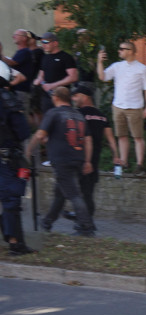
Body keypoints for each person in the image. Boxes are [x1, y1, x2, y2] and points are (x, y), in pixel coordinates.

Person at [27, 86, 96, 237]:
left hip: (62, 160)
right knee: (60, 194)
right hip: (77, 158)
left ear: (56, 97)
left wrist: (28, 150)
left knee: (73, 194)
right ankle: (47, 222)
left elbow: (40, 135)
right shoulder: (78, 114)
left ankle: (86, 227)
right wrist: (87, 161)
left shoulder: (54, 113)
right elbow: (88, 140)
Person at [65, 81, 120, 224]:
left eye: (76, 96)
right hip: (94, 159)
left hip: (80, 158)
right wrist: (116, 155)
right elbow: (110, 138)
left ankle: (85, 221)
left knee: (82, 192)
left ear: (84, 96)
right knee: (87, 191)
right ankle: (83, 218)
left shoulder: (78, 113)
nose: (74, 99)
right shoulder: (101, 115)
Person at [97, 41, 146, 176]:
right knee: (121, 136)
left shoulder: (143, 69)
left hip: (135, 107)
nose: (119, 51)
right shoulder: (117, 66)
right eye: (119, 48)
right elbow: (102, 77)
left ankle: (140, 165)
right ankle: (123, 163)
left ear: (131, 51)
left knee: (138, 137)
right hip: (118, 106)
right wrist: (99, 62)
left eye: (122, 49)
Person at [0, 61, 35, 255]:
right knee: (11, 200)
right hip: (6, 158)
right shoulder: (7, 99)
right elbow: (22, 132)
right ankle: (15, 243)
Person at [33, 32, 78, 116]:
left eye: (46, 42)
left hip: (62, 97)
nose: (43, 45)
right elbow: (41, 74)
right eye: (42, 42)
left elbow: (73, 77)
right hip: (46, 97)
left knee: (63, 122)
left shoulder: (66, 57)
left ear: (55, 43)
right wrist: (39, 80)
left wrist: (52, 85)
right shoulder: (45, 58)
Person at [0, 30, 38, 113]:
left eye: (16, 35)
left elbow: (12, 63)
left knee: (21, 115)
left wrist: (1, 55)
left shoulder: (25, 52)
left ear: (24, 38)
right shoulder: (22, 52)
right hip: (19, 89)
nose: (13, 37)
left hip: (21, 90)